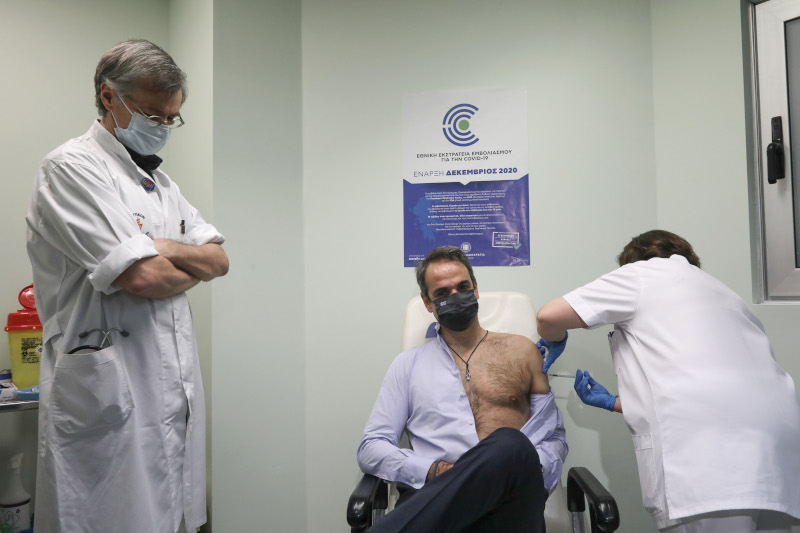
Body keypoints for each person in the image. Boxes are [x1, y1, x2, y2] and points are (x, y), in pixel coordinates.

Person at [25, 39, 229, 533]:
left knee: (168, 514)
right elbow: (143, 276)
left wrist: (160, 246)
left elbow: (219, 260)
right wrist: (177, 262)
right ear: (108, 96)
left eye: (172, 118)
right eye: (153, 115)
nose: (162, 127)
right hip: (104, 396)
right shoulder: (71, 168)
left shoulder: (162, 186)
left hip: (166, 390)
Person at [536, 229, 800, 533]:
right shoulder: (727, 295)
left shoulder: (642, 274)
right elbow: (713, 382)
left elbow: (548, 316)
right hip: (777, 455)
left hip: (713, 459)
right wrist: (616, 403)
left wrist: (555, 339)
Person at [357, 245, 567, 533]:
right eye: (443, 293)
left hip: (510, 503)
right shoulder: (407, 365)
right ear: (427, 302)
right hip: (436, 499)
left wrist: (527, 471)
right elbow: (371, 447)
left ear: (476, 288)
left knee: (511, 444)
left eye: (463, 287)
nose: (455, 297)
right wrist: (435, 471)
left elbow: (552, 435)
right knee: (510, 445)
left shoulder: (524, 351)